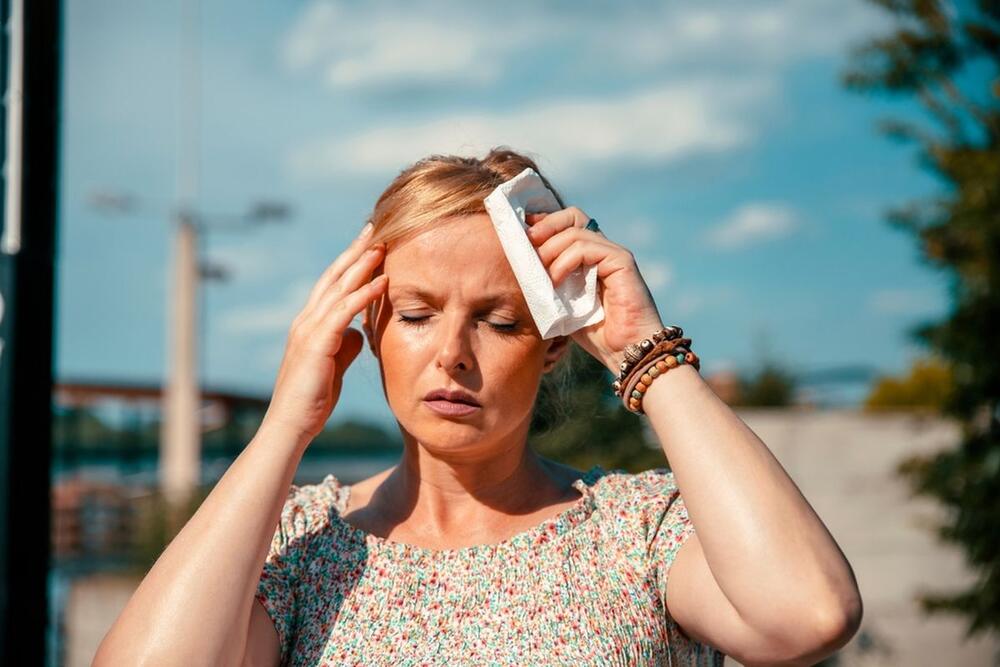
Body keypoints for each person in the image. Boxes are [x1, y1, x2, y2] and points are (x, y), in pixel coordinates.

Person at [95, 148, 862, 666]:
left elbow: (809, 615)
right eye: (418, 313)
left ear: (554, 343)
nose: (453, 352)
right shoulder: (301, 549)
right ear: (369, 327)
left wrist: (647, 351)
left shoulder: (639, 531)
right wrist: (285, 425)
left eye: (499, 320)